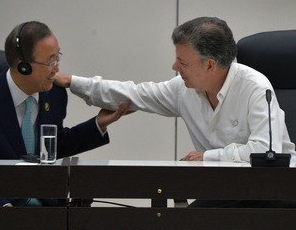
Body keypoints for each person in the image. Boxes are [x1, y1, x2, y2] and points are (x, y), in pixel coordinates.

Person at [54, 17, 296, 208]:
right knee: (185, 222)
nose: (174, 67)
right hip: (226, 190)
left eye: (183, 62)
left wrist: (207, 157)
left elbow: (265, 151)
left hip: (276, 191)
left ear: (210, 64)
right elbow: (133, 94)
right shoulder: (183, 90)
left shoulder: (255, 87)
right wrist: (72, 82)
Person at [0, 21, 130, 207]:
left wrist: (99, 124)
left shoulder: (55, 94)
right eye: (50, 61)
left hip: (47, 207)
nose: (56, 69)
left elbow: (53, 146)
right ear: (23, 66)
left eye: (57, 57)